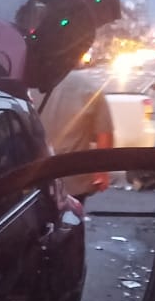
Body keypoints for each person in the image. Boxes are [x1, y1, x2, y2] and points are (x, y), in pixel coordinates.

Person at [36, 67, 114, 203]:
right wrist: (102, 171)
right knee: (70, 218)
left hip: (34, 175)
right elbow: (104, 132)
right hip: (73, 175)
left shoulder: (31, 82)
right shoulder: (89, 86)